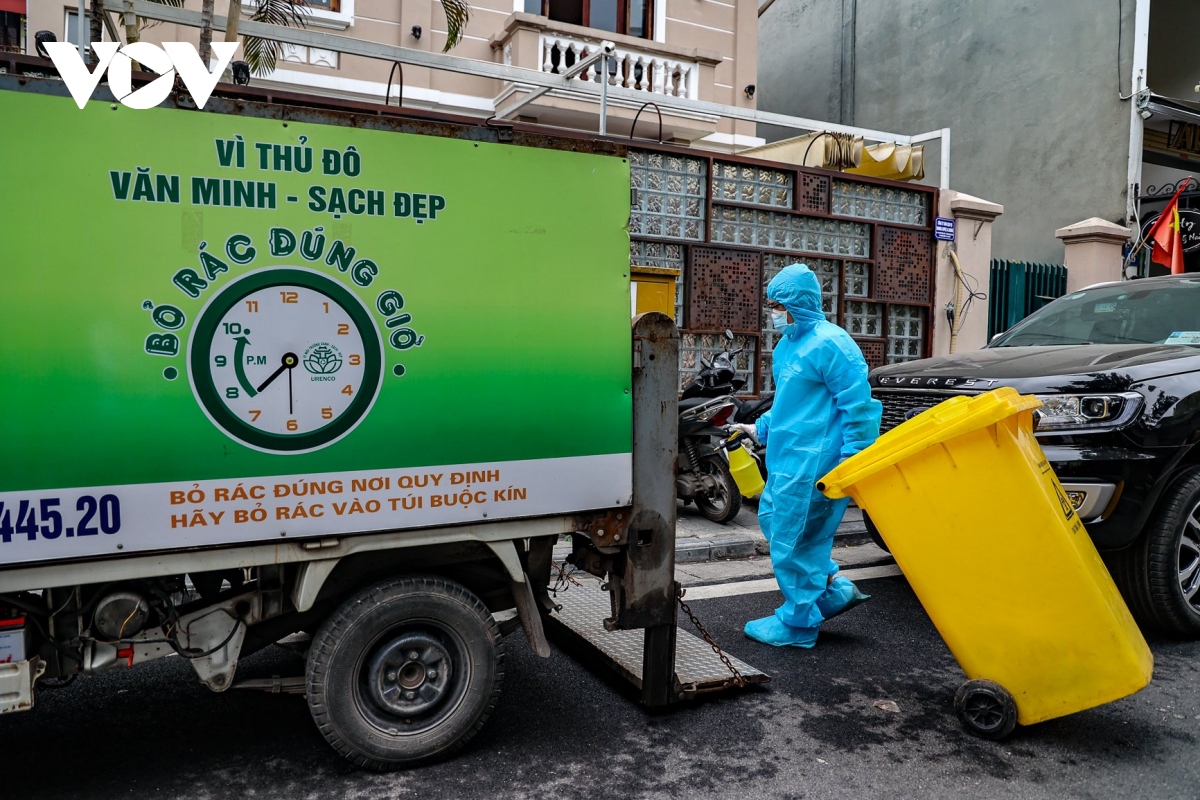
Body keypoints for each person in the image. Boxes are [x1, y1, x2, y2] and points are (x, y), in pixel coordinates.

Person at [735, 263, 882, 648]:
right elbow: (788, 401)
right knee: (776, 522)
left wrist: (853, 460)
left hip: (817, 460)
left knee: (793, 538)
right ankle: (830, 588)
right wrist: (760, 428)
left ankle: (798, 624)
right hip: (787, 458)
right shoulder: (788, 345)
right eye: (770, 303)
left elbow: (860, 409)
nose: (773, 310)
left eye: (777, 303)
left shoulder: (833, 344)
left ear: (796, 302)